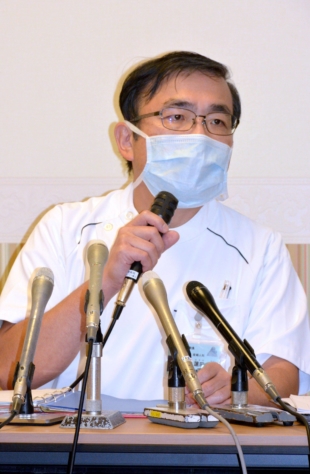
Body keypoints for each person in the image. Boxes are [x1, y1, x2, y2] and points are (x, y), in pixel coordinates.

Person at [0, 51, 309, 407]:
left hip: (204, 452)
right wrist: (106, 282)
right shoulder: (64, 227)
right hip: (72, 448)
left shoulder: (260, 247)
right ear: (127, 140)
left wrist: (236, 392)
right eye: (177, 117)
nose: (200, 134)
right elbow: (10, 369)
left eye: (217, 121)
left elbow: (284, 375)